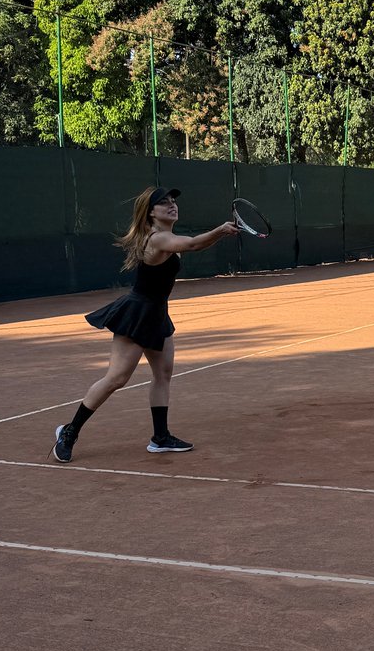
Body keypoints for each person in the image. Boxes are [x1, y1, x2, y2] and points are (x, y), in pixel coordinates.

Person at [51, 186, 239, 464]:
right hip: (137, 313)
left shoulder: (167, 236)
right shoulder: (158, 238)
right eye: (164, 203)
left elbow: (191, 244)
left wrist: (219, 234)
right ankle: (69, 432)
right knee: (117, 378)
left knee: (163, 374)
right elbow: (193, 244)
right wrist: (221, 230)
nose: (172, 205)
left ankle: (160, 438)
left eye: (173, 201)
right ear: (151, 212)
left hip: (157, 313)